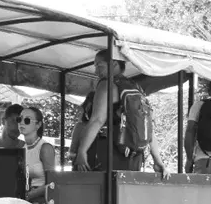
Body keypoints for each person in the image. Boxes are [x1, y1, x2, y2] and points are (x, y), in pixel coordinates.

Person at [73, 49, 170, 179]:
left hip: (107, 152)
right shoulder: (136, 87)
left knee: (98, 195)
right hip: (133, 157)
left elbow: (97, 120)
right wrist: (158, 161)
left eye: (99, 66)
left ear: (113, 63)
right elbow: (148, 127)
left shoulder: (107, 84)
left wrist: (82, 151)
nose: (96, 71)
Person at [18, 106, 55, 204]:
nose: (21, 123)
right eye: (19, 119)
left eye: (27, 120)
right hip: (25, 201)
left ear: (38, 125)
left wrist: (28, 195)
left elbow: (52, 182)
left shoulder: (45, 148)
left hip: (42, 203)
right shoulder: (21, 149)